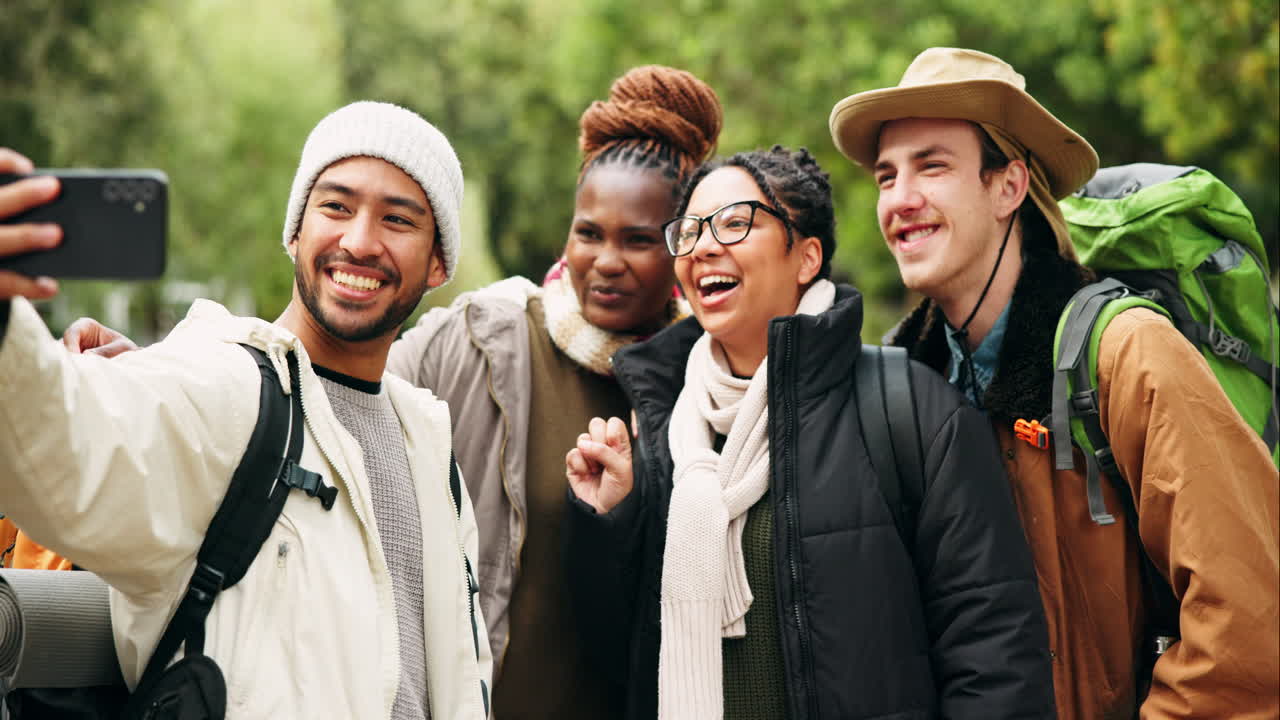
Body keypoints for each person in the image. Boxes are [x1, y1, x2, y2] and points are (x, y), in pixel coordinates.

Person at [0, 101, 492, 718]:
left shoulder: (427, 442)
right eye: (336, 206)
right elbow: (59, 456)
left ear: (439, 264)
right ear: (295, 232)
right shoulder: (224, 382)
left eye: (398, 219)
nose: (360, 241)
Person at [828, 46, 1280, 719]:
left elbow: (1245, 627)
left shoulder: (1128, 353)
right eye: (887, 176)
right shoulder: (897, 384)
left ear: (1008, 186)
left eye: (933, 166)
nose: (901, 199)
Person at [565, 145, 1055, 719]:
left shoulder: (914, 411)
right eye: (690, 230)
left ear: (806, 258)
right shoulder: (661, 430)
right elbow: (614, 659)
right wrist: (613, 522)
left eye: (734, 223)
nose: (703, 246)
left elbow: (995, 656)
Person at [386, 65, 722, 719]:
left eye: (639, 240)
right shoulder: (479, 340)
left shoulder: (708, 386)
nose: (606, 260)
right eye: (589, 232)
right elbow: (326, 388)